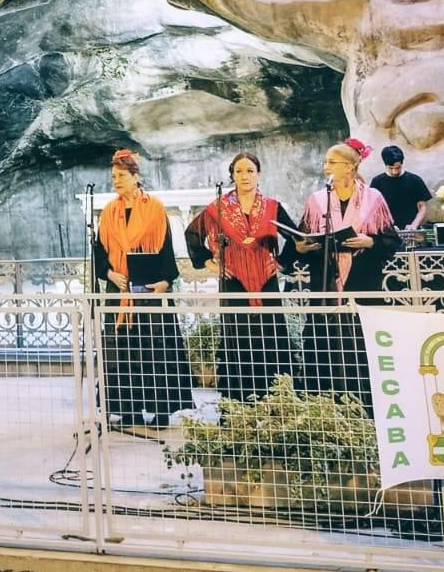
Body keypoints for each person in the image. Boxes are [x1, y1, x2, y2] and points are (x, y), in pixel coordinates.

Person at [185, 151, 298, 402]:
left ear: (259, 174)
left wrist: (280, 263)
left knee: (271, 338)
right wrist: (209, 263)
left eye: (250, 171)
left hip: (266, 281)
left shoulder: (272, 206)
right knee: (237, 337)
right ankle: (238, 403)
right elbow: (192, 235)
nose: (245, 176)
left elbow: (295, 236)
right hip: (232, 280)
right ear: (232, 176)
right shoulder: (218, 209)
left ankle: (276, 401)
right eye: (239, 171)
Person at [93, 148, 194, 428]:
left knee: (155, 349)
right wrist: (110, 274)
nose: (116, 181)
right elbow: (100, 252)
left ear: (136, 177)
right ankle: (129, 409)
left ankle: (161, 409)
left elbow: (165, 249)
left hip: (149, 292)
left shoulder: (155, 208)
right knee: (122, 351)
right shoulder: (109, 212)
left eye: (121, 176)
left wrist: (165, 281)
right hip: (119, 292)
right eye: (113, 176)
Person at [295, 140, 395, 411]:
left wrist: (370, 242)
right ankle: (325, 407)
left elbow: (391, 241)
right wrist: (301, 246)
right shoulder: (317, 200)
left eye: (332, 162)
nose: (326, 167)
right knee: (323, 344)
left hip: (362, 282)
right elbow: (303, 239)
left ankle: (366, 407)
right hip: (326, 284)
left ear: (350, 167)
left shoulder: (374, 199)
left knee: (359, 346)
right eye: (325, 162)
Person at [369, 145, 432, 231]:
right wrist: (386, 225)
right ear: (385, 165)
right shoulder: (377, 182)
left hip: (411, 230)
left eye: (398, 168)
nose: (394, 171)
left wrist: (414, 225)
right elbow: (373, 210)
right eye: (391, 168)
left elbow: (423, 207)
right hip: (387, 232)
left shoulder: (415, 180)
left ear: (402, 163)